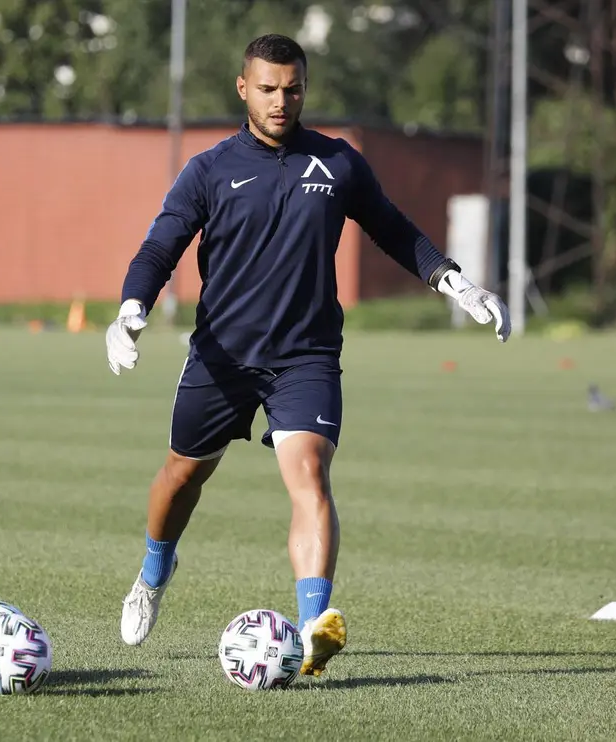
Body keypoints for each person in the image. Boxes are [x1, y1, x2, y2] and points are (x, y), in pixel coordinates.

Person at [106, 33, 511, 677]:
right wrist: (132, 308)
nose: (280, 101)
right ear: (243, 88)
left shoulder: (338, 162)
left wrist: (454, 282)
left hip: (307, 355)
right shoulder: (209, 169)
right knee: (181, 477)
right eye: (267, 89)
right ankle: (155, 571)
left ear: (305, 89)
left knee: (310, 477)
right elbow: (162, 245)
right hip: (222, 355)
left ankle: (313, 630)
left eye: (292, 89)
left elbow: (392, 228)